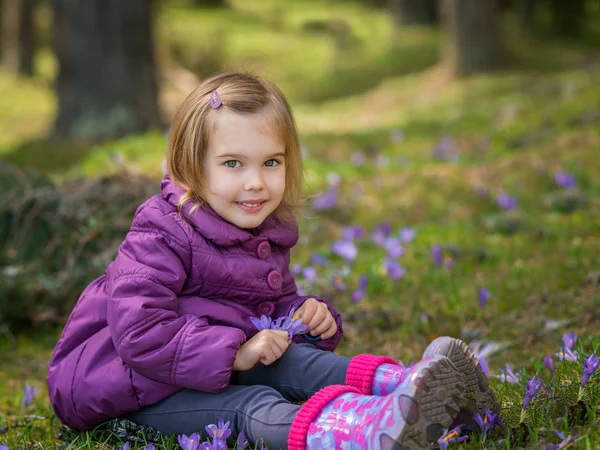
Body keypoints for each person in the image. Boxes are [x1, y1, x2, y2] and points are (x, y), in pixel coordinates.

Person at [47, 72, 497, 450]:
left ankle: (411, 389)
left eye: (271, 162)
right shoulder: (160, 230)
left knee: (295, 363)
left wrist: (303, 315)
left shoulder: (261, 229)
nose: (256, 183)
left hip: (209, 362)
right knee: (252, 404)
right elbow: (140, 333)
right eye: (232, 164)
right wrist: (236, 351)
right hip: (133, 388)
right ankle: (355, 431)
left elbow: (268, 309)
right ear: (190, 167)